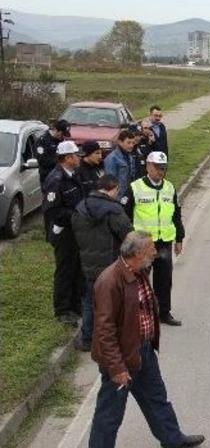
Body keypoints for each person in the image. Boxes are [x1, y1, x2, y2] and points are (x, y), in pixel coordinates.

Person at [89, 231, 204, 448]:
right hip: (121, 359)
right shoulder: (109, 281)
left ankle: (173, 440)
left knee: (157, 399)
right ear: (139, 253)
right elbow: (104, 330)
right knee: (109, 415)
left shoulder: (139, 271)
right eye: (151, 248)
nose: (155, 251)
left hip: (143, 352)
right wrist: (117, 368)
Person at [72, 175, 133, 352]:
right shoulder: (114, 209)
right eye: (117, 191)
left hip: (87, 264)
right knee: (113, 303)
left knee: (90, 302)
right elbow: (128, 235)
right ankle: (112, 339)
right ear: (112, 188)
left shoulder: (81, 207)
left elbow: (75, 232)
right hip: (110, 265)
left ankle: (87, 339)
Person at [126, 152, 186, 326]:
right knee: (140, 281)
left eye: (164, 168)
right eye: (158, 168)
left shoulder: (169, 188)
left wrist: (179, 238)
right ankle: (139, 315)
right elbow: (125, 215)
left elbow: (176, 214)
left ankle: (164, 312)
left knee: (164, 280)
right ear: (148, 166)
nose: (161, 171)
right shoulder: (135, 187)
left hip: (164, 242)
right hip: (142, 244)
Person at [43, 140, 87, 325]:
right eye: (76, 155)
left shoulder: (73, 174)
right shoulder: (56, 179)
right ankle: (62, 310)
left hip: (76, 230)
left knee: (77, 269)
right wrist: (77, 214)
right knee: (65, 271)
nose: (79, 158)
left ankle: (76, 306)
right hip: (64, 233)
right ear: (67, 158)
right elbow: (53, 211)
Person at [103, 129, 138, 203]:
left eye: (133, 143)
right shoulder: (112, 159)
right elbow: (110, 182)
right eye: (128, 143)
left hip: (128, 196)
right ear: (119, 142)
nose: (131, 145)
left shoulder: (130, 156)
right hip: (117, 199)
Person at [35, 119, 71, 183]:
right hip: (48, 176)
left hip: (62, 176)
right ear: (57, 130)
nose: (63, 137)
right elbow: (42, 160)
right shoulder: (42, 141)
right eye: (62, 134)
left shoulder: (62, 141)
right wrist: (59, 161)